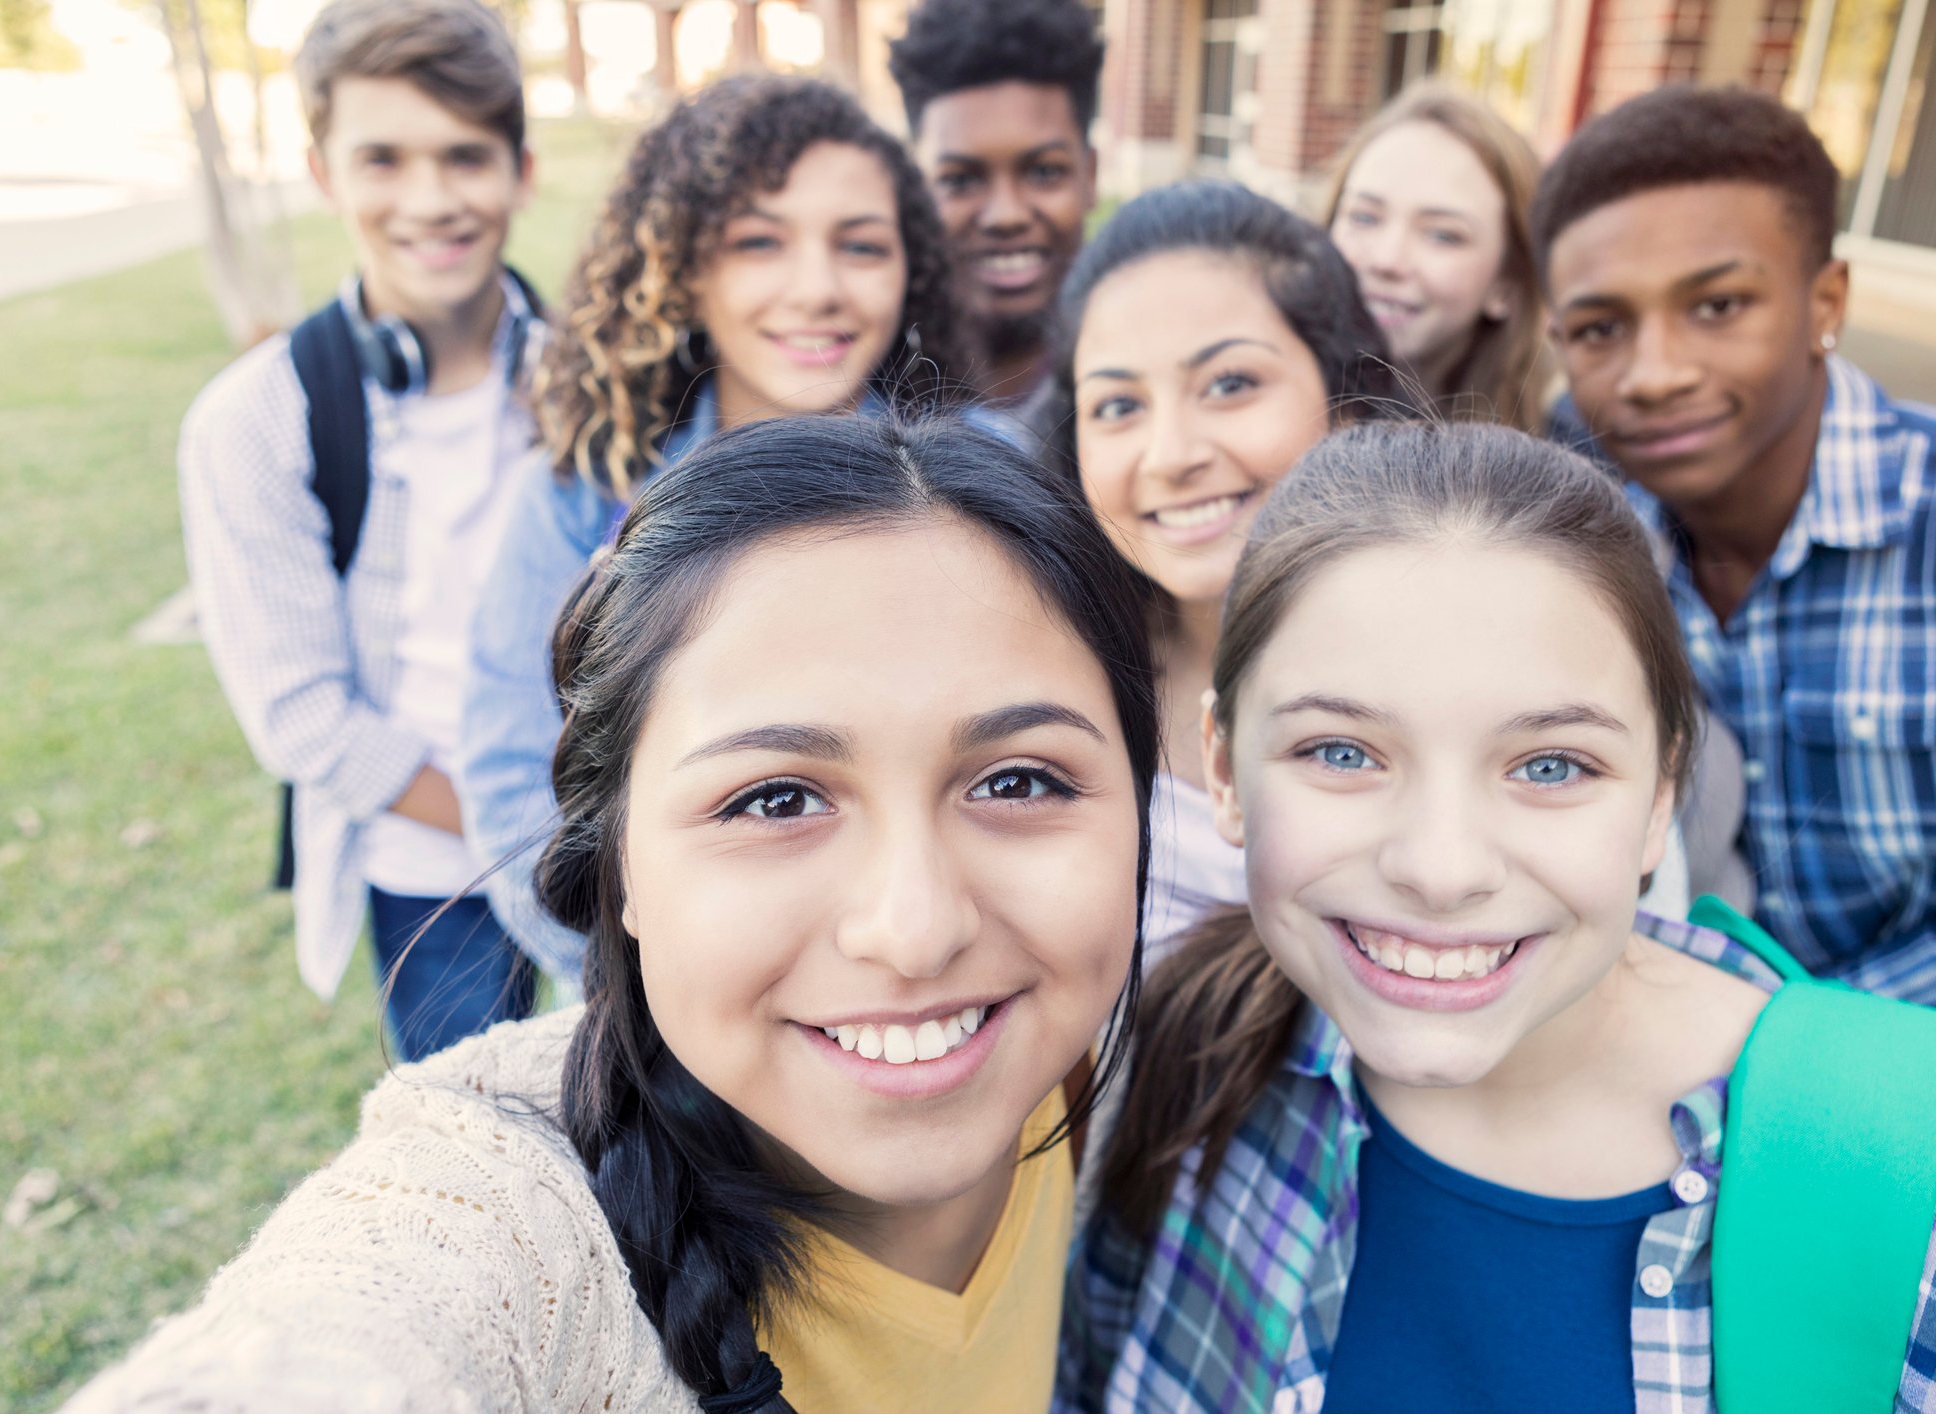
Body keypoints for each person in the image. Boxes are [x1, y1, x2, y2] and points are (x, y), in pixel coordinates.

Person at [66, 414, 1160, 1414]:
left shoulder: (1140, 1078)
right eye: (774, 798)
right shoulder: (511, 1228)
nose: (916, 929)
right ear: (623, 866)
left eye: (1018, 781)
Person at [1062, 420, 1936, 1413]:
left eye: (1551, 765)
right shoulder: (1185, 1052)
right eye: (1343, 752)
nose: (1440, 866)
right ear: (1222, 770)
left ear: (1662, 795)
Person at [1535, 85, 1936, 1077]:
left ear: (1825, 304)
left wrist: (1739, 1037)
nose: (1654, 371)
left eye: (1717, 306)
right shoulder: (1587, 523)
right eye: (1599, 329)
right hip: (1684, 1092)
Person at [456, 76, 974, 978]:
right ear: (685, 270)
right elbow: (509, 781)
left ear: (909, 272)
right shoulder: (588, 492)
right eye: (758, 242)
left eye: (860, 246)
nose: (816, 289)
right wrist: (652, 1003)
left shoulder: (984, 483)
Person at [178, 0, 538, 1059]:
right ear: (324, 171)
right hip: (436, 875)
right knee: (485, 1169)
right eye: (383, 159)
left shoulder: (589, 378)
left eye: (465, 156)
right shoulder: (253, 421)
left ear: (520, 168)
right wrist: (526, 834)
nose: (431, 200)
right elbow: (302, 716)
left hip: (623, 850)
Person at [1055, 180, 1410, 948]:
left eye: (1229, 385)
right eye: (1117, 405)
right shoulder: (1042, 678)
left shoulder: (1480, 665)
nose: (1172, 455)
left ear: (1347, 402)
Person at [887, 0, 1104, 429]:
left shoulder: (1141, 378)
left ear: (1090, 177)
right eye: (960, 180)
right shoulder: (858, 382)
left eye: (1044, 172)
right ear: (913, 187)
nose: (1006, 216)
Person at [1324, 81, 1551, 431]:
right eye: (1364, 217)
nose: (1387, 260)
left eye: (1442, 235)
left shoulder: (1568, 448)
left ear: (1507, 282)